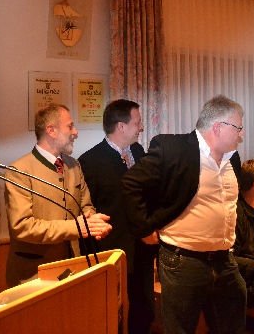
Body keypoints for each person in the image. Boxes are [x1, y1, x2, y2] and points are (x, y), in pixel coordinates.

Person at [122, 95, 247, 334]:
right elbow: (131, 184)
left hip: (224, 260)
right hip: (183, 261)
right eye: (238, 128)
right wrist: (144, 229)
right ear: (218, 127)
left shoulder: (233, 158)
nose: (241, 135)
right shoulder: (173, 148)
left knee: (232, 324)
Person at [5, 103, 112, 288]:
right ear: (51, 130)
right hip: (34, 275)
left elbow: (86, 206)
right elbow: (22, 227)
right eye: (70, 126)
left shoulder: (74, 165)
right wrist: (75, 227)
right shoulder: (19, 171)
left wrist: (94, 223)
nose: (75, 132)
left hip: (73, 269)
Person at [78, 99, 157, 334]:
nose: (141, 127)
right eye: (137, 122)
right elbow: (87, 210)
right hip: (111, 251)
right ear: (121, 126)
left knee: (145, 309)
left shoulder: (139, 152)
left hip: (142, 247)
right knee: (112, 313)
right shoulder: (90, 161)